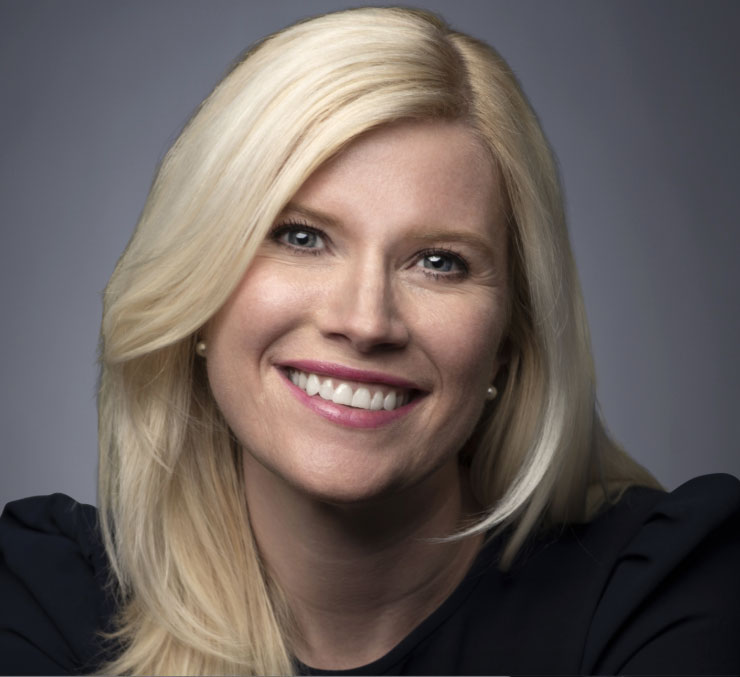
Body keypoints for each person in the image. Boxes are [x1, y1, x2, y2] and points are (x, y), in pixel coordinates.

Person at [1, 6, 738, 675]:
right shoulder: (51, 599)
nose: (365, 321)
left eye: (439, 262)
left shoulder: (662, 590)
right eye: (301, 236)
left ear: (510, 338)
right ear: (199, 292)